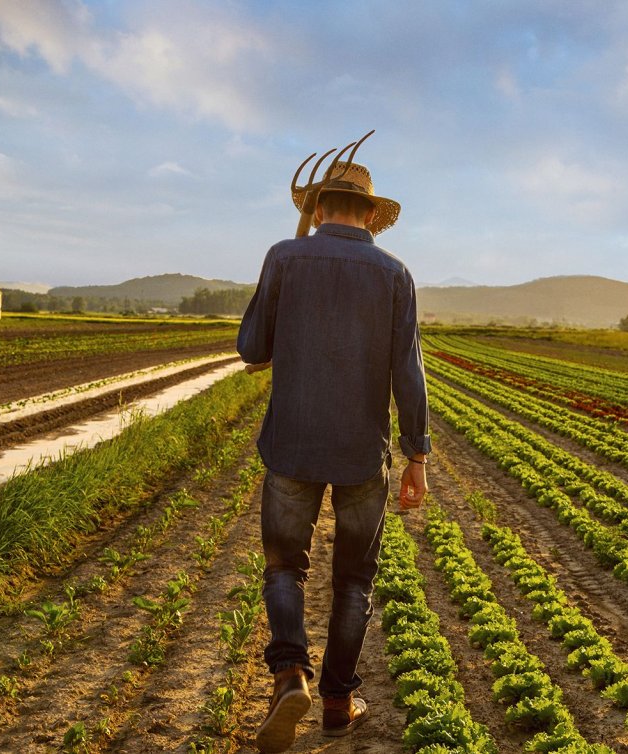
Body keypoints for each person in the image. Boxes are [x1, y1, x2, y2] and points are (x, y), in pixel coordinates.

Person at [237, 144, 430, 752]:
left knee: (284, 567)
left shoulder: (284, 256)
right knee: (354, 580)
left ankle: (289, 673)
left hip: (291, 444)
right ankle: (338, 703)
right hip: (360, 454)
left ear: (318, 206)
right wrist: (417, 456)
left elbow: (251, 346)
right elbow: (409, 373)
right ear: (371, 215)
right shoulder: (394, 273)